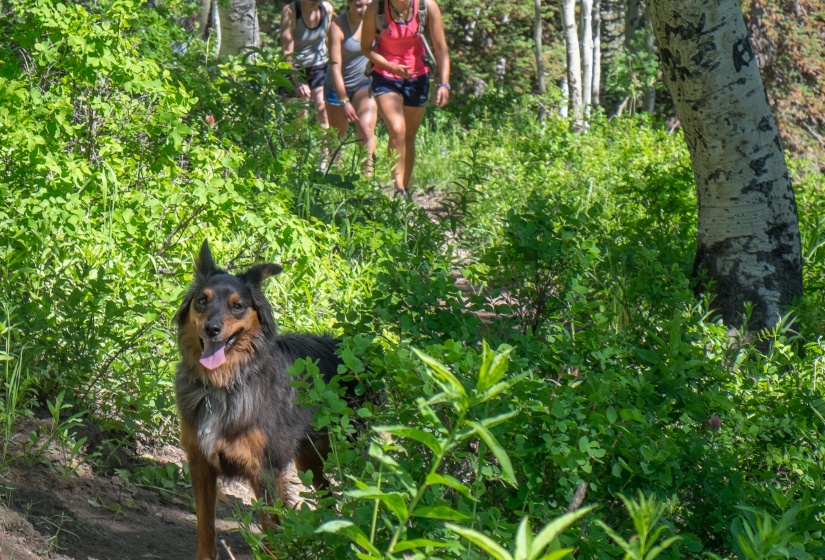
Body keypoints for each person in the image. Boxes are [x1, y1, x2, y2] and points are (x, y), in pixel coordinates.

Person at [361, 0, 451, 196]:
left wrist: (444, 83)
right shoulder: (376, 9)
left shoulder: (427, 6)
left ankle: (405, 190)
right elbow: (366, 48)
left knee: (408, 135)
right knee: (397, 128)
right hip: (385, 76)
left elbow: (441, 48)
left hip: (417, 78)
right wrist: (391, 66)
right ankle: (398, 188)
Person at [324, 0, 378, 172]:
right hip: (337, 87)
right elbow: (334, 66)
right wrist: (343, 100)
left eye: (368, 5)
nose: (364, 10)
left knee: (366, 128)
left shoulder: (375, 19)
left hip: (363, 83)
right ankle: (332, 176)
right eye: (359, 5)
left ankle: (367, 179)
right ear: (349, 3)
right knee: (337, 137)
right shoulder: (338, 26)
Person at [281, 0, 335, 128]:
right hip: (294, 66)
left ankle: (327, 147)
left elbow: (328, 39)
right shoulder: (290, 11)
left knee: (323, 111)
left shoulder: (326, 9)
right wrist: (298, 80)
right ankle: (298, 147)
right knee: (297, 118)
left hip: (319, 66)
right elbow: (287, 50)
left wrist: (336, 65)